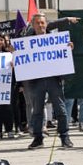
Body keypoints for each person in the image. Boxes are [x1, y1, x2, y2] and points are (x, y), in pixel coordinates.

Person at [24, 14, 76, 149]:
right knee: (37, 111)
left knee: (61, 109)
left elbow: (62, 55)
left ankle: (65, 137)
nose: (40, 25)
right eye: (37, 23)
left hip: (53, 79)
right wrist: (15, 52)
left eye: (42, 23)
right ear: (33, 25)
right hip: (36, 81)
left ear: (46, 24)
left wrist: (68, 48)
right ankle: (38, 138)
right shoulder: (26, 41)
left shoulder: (55, 39)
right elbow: (20, 58)